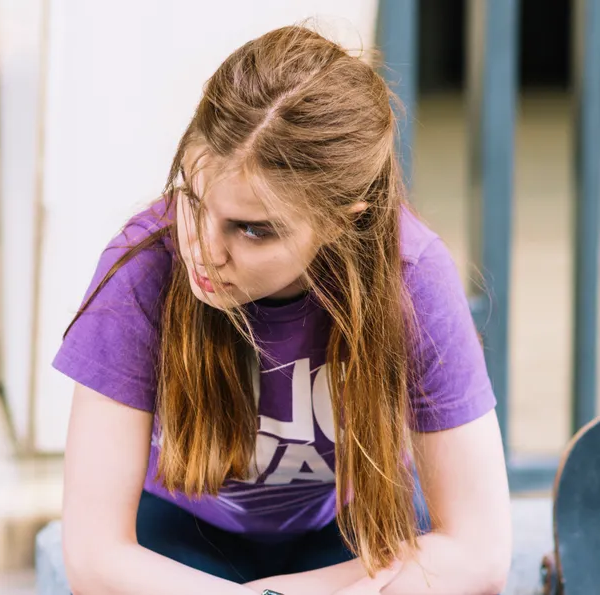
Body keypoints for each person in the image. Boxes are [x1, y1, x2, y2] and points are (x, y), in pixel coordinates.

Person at [53, 25, 512, 595]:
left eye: (252, 229)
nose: (203, 247)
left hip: (351, 532)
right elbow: (94, 557)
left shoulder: (410, 275)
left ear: (342, 219)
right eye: (193, 202)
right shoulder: (145, 265)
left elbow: (481, 551)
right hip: (180, 534)